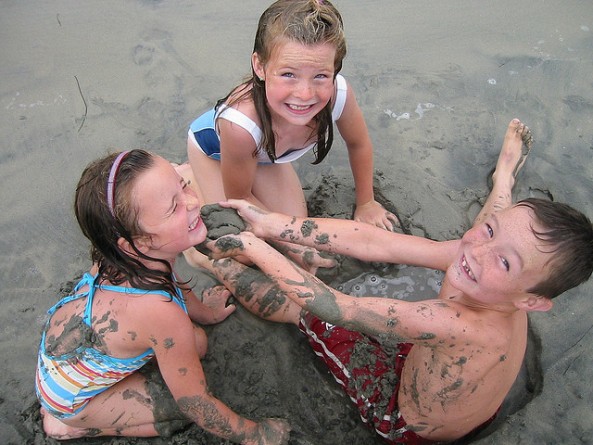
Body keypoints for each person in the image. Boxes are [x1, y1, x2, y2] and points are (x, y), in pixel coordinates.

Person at [186, 119, 593, 444]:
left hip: (405, 418)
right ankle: (503, 181)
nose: (476, 250)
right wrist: (276, 224)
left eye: (504, 261)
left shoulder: (459, 323)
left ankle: (214, 264)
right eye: (489, 231)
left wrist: (254, 247)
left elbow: (335, 306)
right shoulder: (483, 266)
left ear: (533, 301)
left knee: (301, 311)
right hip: (450, 375)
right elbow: (375, 240)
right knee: (485, 240)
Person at [35, 150, 290, 444]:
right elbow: (195, 403)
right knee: (177, 412)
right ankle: (68, 426)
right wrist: (255, 435)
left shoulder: (127, 257)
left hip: (66, 363)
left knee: (199, 343)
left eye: (183, 185)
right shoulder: (160, 313)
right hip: (74, 399)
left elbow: (168, 278)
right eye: (174, 208)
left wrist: (206, 313)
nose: (193, 202)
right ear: (138, 242)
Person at [186, 0, 399, 235]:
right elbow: (240, 198)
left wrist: (366, 203)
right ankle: (189, 174)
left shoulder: (339, 95)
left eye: (320, 75)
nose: (305, 94)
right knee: (239, 240)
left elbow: (358, 144)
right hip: (213, 152)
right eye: (288, 74)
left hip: (264, 157)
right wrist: (295, 245)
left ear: (335, 68)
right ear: (260, 66)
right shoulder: (240, 124)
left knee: (297, 223)